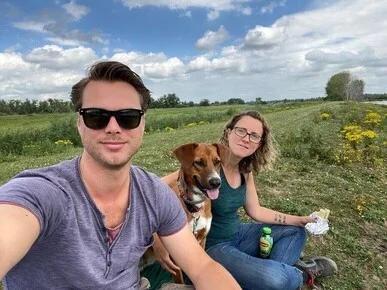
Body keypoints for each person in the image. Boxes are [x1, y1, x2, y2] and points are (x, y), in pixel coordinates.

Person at [0, 61, 241, 290]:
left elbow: (203, 266)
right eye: (96, 116)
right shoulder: (38, 194)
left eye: (128, 117)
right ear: (79, 124)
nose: (113, 127)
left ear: (142, 124)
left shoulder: (154, 194)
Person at [153, 111, 338, 290]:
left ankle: (265, 274)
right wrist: (157, 239)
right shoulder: (204, 164)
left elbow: (256, 211)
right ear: (229, 131)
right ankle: (301, 273)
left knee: (296, 232)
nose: (246, 138)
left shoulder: (245, 171)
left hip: (239, 234)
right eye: (241, 131)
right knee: (274, 279)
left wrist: (299, 219)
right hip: (215, 247)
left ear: (259, 144)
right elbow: (151, 193)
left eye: (254, 135)